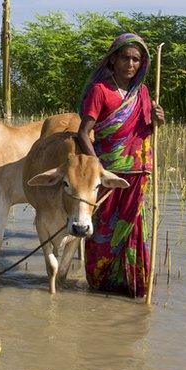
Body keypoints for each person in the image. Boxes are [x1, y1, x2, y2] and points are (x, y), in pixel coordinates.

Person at [76, 32, 164, 298]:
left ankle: (133, 285)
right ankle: (101, 282)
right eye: (125, 57)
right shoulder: (100, 91)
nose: (130, 64)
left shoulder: (144, 92)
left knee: (134, 228)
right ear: (113, 60)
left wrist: (159, 119)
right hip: (109, 174)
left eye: (136, 59)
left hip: (138, 173)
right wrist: (97, 168)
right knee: (103, 228)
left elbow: (145, 129)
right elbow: (83, 133)